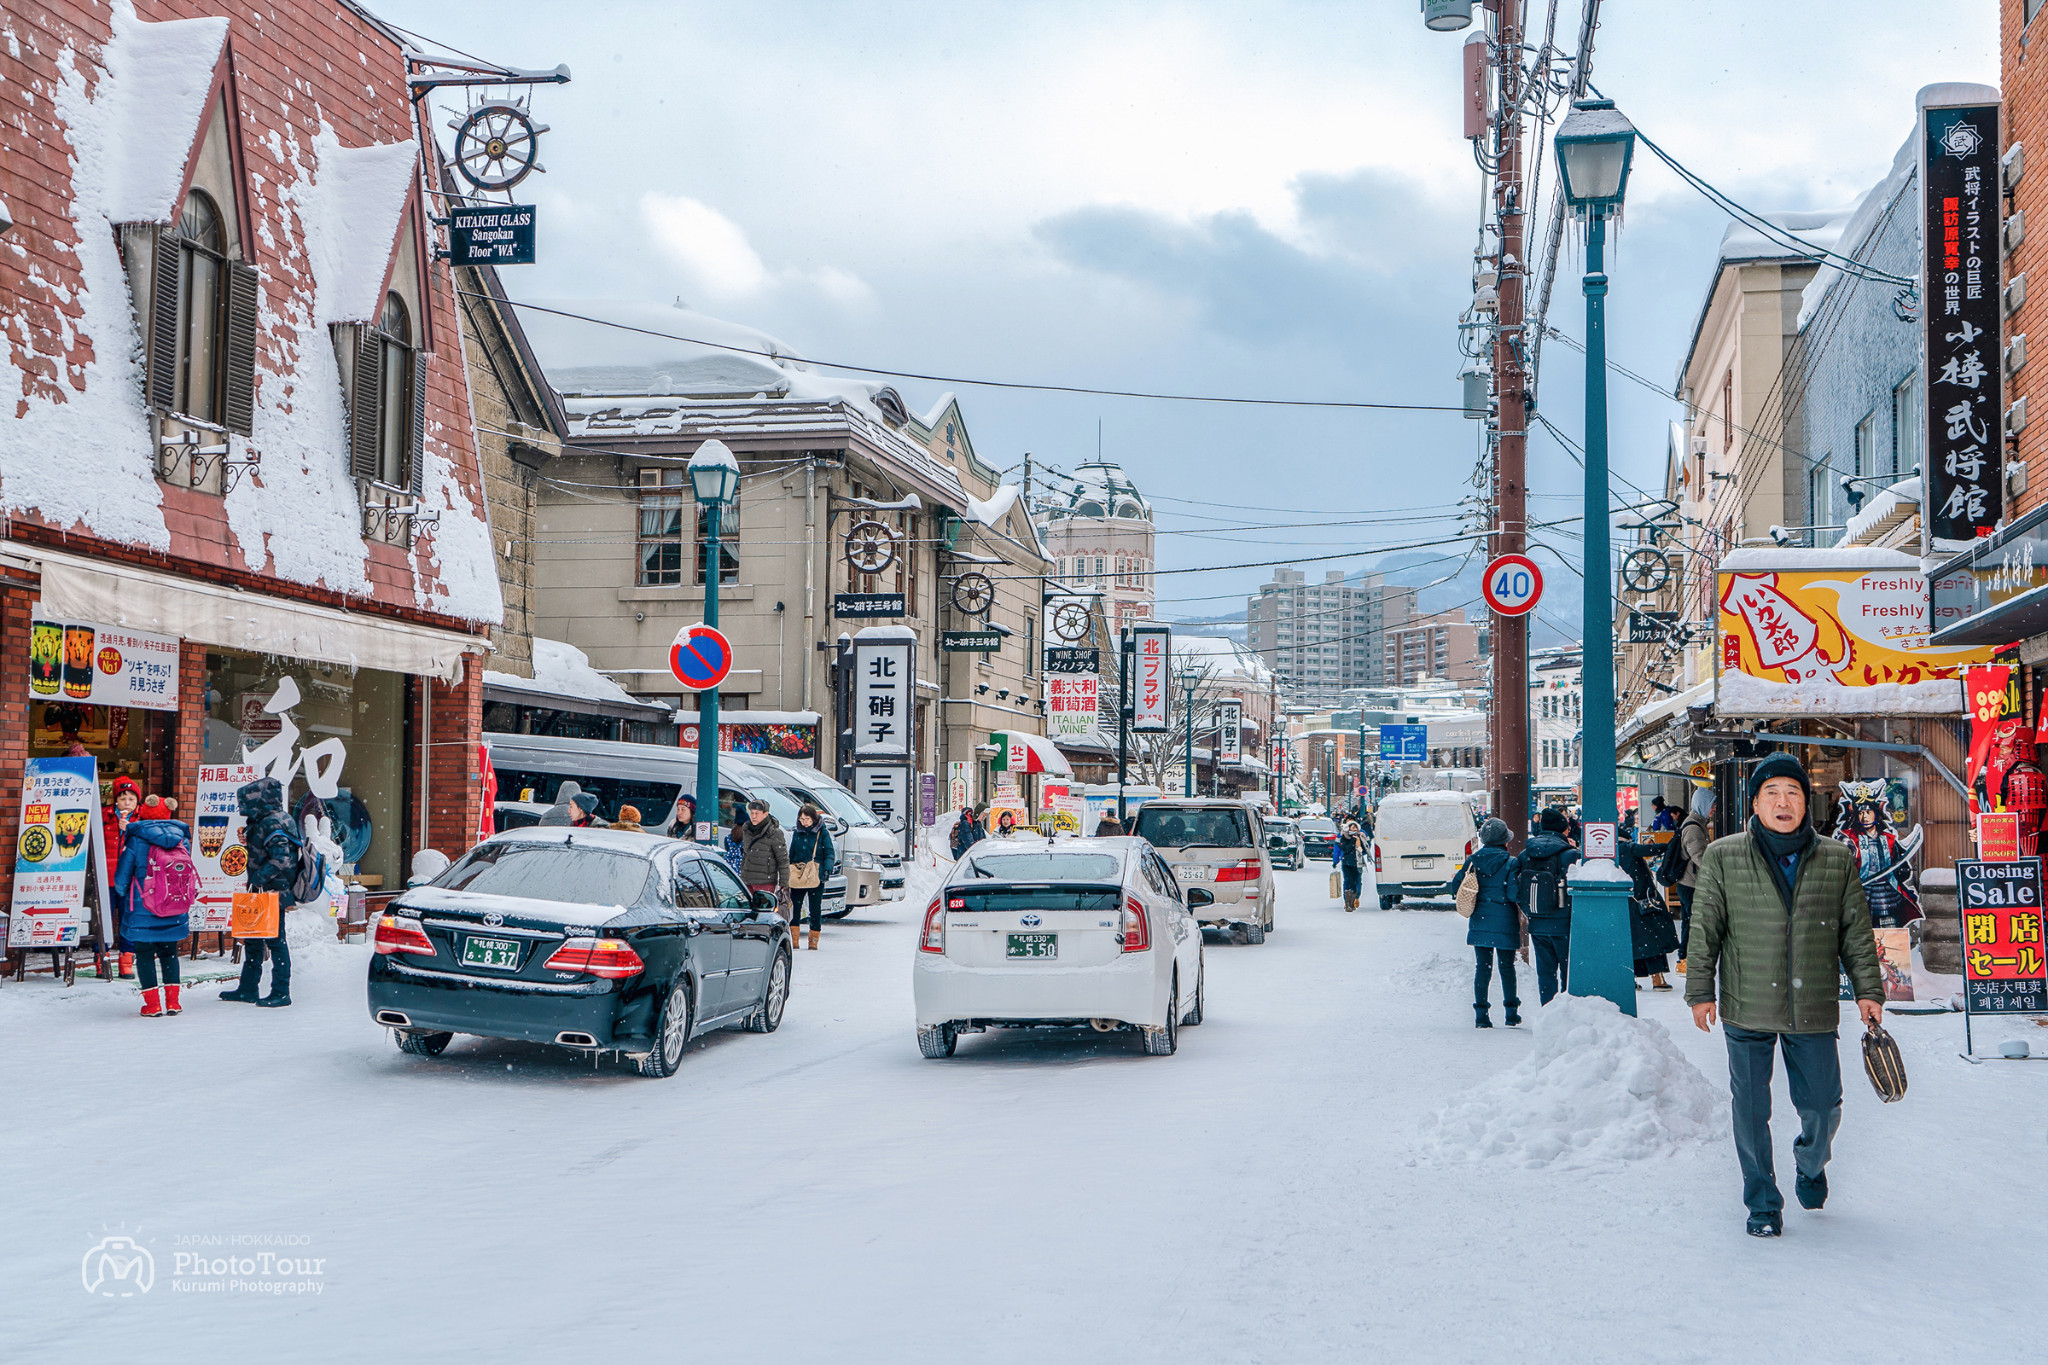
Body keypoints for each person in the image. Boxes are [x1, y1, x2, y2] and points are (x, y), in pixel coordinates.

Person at [1687, 752, 1884, 1239]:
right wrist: (1699, 991)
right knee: (1751, 1110)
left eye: (1792, 792)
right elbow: (1704, 927)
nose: (1782, 802)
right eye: (1771, 793)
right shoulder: (1724, 855)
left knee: (1823, 1106)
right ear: (1754, 803)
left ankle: (1810, 1163)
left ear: (1805, 802)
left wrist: (1868, 990)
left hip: (1813, 1003)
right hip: (1746, 1002)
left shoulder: (1836, 858)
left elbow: (1856, 932)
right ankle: (1762, 1203)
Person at [220, 777, 299, 1008]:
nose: (243, 807)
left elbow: (281, 858)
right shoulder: (270, 818)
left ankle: (281, 992)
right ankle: (248, 988)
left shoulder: (273, 822)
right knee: (253, 938)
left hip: (273, 891)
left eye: (247, 801)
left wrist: (257, 879)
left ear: (260, 800)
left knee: (275, 941)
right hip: (264, 889)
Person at [113, 796, 193, 1018]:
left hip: (142, 907)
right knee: (169, 953)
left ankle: (153, 1005)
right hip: (174, 905)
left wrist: (125, 895)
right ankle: (173, 1003)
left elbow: (121, 879)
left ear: (145, 812)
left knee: (145, 953)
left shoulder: (137, 840)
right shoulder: (182, 840)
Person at [1448, 817, 1523, 1028]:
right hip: (1505, 921)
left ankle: (1481, 1015)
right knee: (1507, 967)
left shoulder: (1473, 861)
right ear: (1504, 841)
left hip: (1480, 919)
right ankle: (1511, 1014)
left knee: (1483, 967)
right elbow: (1512, 893)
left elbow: (1456, 886)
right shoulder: (1511, 863)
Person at [1515, 806, 1579, 1005]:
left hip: (1537, 923)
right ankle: (1568, 1011)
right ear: (1564, 830)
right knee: (1569, 973)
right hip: (1564, 923)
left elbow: (1517, 887)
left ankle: (1548, 1010)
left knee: (1546, 973)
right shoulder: (1570, 855)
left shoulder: (1526, 854)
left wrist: (1529, 912)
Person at [102, 775, 143, 979]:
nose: (126, 803)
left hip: (131, 880)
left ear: (137, 802)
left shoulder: (142, 821)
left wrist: (130, 830)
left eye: (131, 799)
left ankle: (126, 962)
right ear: (115, 800)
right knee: (104, 920)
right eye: (122, 798)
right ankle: (102, 960)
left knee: (129, 921)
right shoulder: (104, 817)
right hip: (106, 877)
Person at [738, 798, 791, 946]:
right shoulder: (747, 829)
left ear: (766, 814)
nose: (753, 816)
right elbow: (745, 854)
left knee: (764, 914)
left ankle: (762, 940)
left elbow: (783, 860)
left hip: (765, 880)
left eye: (757, 813)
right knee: (747, 912)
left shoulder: (774, 834)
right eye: (752, 813)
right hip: (747, 879)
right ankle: (748, 939)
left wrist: (784, 884)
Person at [1673, 787, 1715, 971]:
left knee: (1690, 921)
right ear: (1703, 804)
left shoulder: (1696, 824)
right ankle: (1685, 959)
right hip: (1691, 883)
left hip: (1688, 882)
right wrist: (1716, 868)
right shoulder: (1693, 828)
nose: (1714, 809)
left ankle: (1686, 957)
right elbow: (1699, 856)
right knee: (1692, 921)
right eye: (1712, 805)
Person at [786, 804, 835, 950]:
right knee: (795, 907)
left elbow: (829, 853)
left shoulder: (822, 833)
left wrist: (827, 869)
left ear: (813, 818)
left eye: (807, 819)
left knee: (815, 908)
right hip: (798, 873)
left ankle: (813, 941)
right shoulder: (797, 833)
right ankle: (794, 940)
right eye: (801, 819)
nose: (804, 822)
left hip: (815, 874)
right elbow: (792, 854)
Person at [1332, 820, 1368, 912]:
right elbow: (1345, 849)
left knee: (1357, 882)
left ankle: (1353, 902)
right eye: (1352, 827)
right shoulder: (1345, 837)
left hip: (1357, 864)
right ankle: (1348, 903)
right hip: (1347, 863)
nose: (1354, 829)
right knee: (1349, 882)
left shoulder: (1360, 837)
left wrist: (1361, 840)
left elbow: (1364, 850)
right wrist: (1353, 840)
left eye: (1355, 827)